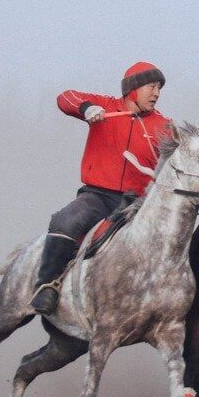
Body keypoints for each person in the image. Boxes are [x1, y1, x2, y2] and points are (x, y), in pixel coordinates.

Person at [29, 62, 169, 315]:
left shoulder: (164, 125)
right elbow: (65, 98)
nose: (157, 93)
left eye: (159, 88)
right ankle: (46, 285)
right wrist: (86, 108)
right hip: (97, 196)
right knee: (66, 221)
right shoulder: (103, 106)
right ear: (133, 89)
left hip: (137, 204)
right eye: (152, 86)